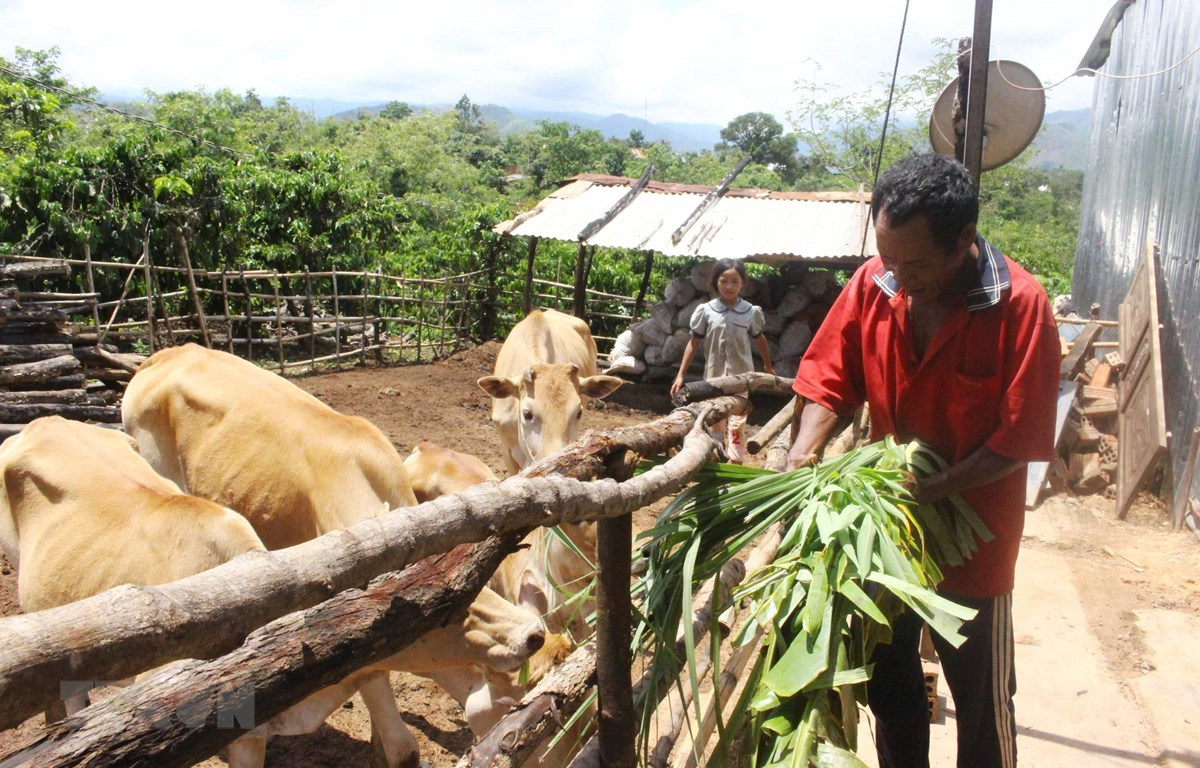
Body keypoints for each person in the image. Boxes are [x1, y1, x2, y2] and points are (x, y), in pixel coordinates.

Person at [786, 153, 1061, 768]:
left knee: (983, 701)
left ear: (964, 240)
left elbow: (1019, 439)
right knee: (892, 689)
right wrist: (804, 449)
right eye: (888, 258)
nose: (899, 277)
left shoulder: (1019, 304)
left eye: (916, 263)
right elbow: (830, 378)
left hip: (976, 544)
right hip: (884, 537)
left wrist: (936, 489)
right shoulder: (874, 283)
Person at [671, 258, 775, 464]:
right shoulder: (707, 311)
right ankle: (717, 458)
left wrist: (768, 367)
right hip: (714, 378)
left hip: (741, 378)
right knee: (715, 420)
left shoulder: (750, 312)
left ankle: (735, 462)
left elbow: (760, 339)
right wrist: (680, 374)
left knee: (737, 422)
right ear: (715, 283)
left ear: (742, 283)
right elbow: (694, 343)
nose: (729, 287)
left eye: (735, 281)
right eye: (723, 281)